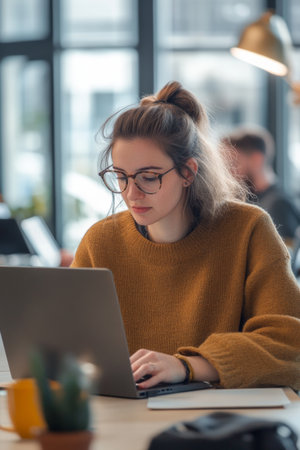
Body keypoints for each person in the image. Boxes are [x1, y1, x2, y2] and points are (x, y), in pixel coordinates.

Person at [71, 81, 300, 390]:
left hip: (220, 425)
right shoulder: (100, 241)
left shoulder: (248, 228)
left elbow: (290, 345)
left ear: (188, 172)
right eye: (121, 177)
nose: (131, 193)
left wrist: (188, 366)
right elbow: (69, 343)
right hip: (123, 417)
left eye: (148, 177)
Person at [221, 127, 300, 245]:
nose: (229, 173)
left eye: (233, 164)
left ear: (256, 159)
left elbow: (282, 259)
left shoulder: (278, 205)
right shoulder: (249, 199)